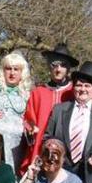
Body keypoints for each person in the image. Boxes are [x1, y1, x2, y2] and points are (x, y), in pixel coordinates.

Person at [19, 43, 78, 175]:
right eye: (54, 65)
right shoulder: (38, 92)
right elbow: (29, 119)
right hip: (40, 147)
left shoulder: (75, 91)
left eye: (63, 65)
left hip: (68, 149)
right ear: (49, 66)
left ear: (68, 69)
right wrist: (30, 128)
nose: (58, 69)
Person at [0, 52, 32, 172]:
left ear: (22, 72)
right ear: (3, 71)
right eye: (8, 69)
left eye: (16, 69)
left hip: (18, 144)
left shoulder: (28, 93)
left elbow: (32, 119)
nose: (12, 73)